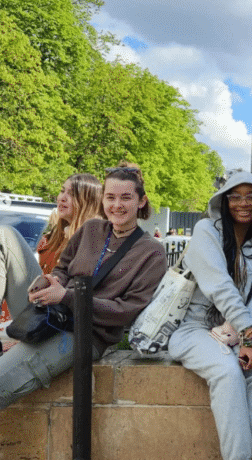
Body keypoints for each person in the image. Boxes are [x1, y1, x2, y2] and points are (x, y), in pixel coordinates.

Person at [0, 163, 166, 406]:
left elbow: (126, 312)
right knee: (5, 235)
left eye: (125, 198)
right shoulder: (91, 229)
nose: (117, 205)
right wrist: (51, 282)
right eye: (110, 197)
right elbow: (63, 268)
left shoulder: (152, 252)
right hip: (51, 311)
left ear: (141, 201)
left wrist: (65, 296)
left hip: (85, 333)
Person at [169, 170, 252, 460]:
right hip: (196, 328)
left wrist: (247, 338)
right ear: (224, 200)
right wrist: (250, 335)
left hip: (243, 331)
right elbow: (219, 286)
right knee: (228, 372)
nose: (244, 203)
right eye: (236, 196)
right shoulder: (207, 230)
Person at [1, 173, 104, 350]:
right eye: (62, 191)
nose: (62, 198)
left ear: (88, 201)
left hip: (61, 319)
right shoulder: (52, 239)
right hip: (40, 310)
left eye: (71, 194)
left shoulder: (96, 239)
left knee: (5, 235)